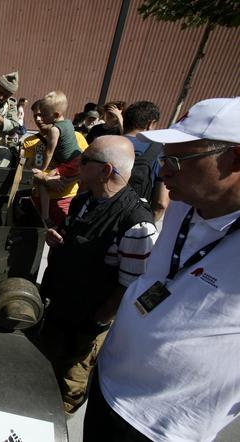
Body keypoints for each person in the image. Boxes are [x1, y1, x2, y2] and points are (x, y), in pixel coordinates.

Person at [83, 97, 240, 442]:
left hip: (163, 426)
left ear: (236, 158)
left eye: (178, 159)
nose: (164, 170)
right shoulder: (186, 204)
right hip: (109, 386)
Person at [38, 135, 157, 414]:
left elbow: (130, 285)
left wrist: (99, 320)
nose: (78, 163)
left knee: (71, 381)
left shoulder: (137, 224)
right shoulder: (84, 201)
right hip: (60, 308)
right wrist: (59, 238)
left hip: (88, 323)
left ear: (106, 170)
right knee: (44, 365)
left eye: (86, 160)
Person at [24, 99, 88, 227]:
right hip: (39, 200)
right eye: (35, 116)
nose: (38, 119)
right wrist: (45, 179)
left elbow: (86, 167)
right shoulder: (30, 141)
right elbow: (25, 171)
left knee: (61, 239)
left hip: (65, 199)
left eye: (41, 115)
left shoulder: (75, 137)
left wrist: (67, 181)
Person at [122, 100, 169, 221]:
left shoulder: (102, 143)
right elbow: (161, 203)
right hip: (131, 222)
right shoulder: (160, 151)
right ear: (151, 124)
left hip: (96, 219)